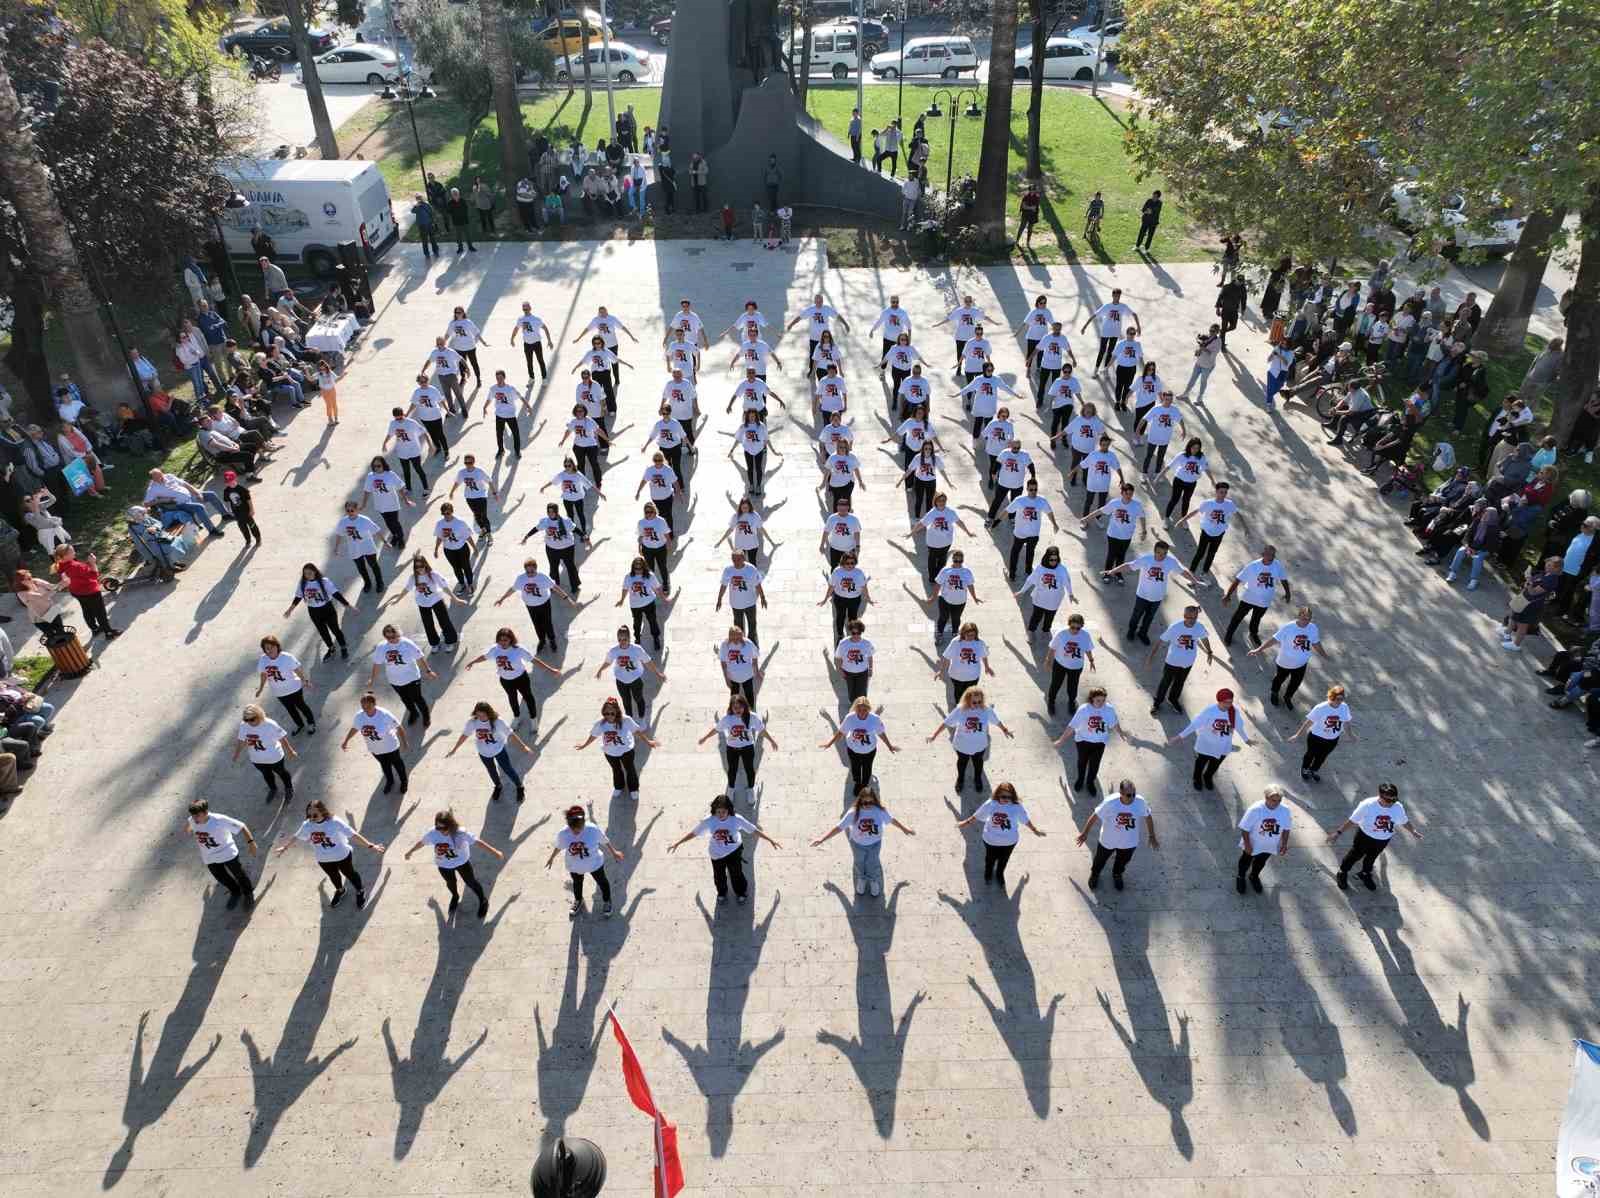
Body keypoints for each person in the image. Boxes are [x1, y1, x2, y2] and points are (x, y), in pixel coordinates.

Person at [668, 793, 781, 906]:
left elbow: (753, 830)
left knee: (736, 874)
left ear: (729, 810)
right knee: (719, 875)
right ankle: (722, 893)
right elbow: (694, 833)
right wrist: (678, 843)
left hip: (734, 851)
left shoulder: (736, 819)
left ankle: (741, 892)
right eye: (718, 812)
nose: (721, 815)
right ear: (714, 810)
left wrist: (770, 840)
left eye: (723, 812)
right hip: (716, 854)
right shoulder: (709, 821)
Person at [274, 799, 385, 909]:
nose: (311, 818)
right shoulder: (307, 825)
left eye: (315, 815)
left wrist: (371, 845)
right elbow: (296, 836)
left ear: (322, 811)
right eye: (309, 815)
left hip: (342, 855)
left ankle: (360, 891)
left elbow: (353, 835)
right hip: (323, 859)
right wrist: (285, 847)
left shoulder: (334, 822)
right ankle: (341, 891)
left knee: (350, 874)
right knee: (333, 876)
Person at [810, 784, 914, 897]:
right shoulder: (853, 813)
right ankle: (862, 879)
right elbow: (839, 827)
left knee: (872, 863)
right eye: (865, 803)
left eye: (870, 802)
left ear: (874, 801)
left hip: (875, 844)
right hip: (858, 845)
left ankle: (873, 880)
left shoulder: (879, 811)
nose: (868, 805)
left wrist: (904, 829)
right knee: (859, 863)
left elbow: (892, 820)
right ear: (860, 801)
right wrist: (822, 839)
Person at [405, 808, 503, 918]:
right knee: (450, 883)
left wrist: (495, 852)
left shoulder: (461, 833)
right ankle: (455, 897)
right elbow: (422, 842)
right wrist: (410, 852)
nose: (441, 830)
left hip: (462, 863)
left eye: (444, 828)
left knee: (471, 882)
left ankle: (483, 900)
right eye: (438, 827)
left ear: (451, 824)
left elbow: (478, 842)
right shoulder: (433, 833)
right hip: (444, 865)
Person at [1326, 782, 1422, 891]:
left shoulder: (1397, 807)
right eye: (1388, 800)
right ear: (1380, 796)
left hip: (1383, 839)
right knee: (1355, 855)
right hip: (1364, 837)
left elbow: (1404, 821)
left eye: (1394, 800)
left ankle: (1365, 873)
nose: (1391, 803)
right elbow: (1352, 821)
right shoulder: (1367, 805)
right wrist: (1338, 833)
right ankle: (1342, 872)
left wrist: (1413, 831)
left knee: (1371, 857)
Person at [1076, 778, 1159, 891]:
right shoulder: (1110, 802)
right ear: (1121, 793)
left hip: (1129, 843)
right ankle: (1095, 875)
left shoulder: (1140, 802)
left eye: (1134, 794)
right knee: (1099, 860)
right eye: (1129, 795)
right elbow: (1095, 815)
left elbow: (1148, 816)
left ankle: (1117, 874)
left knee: (1122, 862)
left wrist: (1152, 835)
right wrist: (1085, 833)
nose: (1132, 797)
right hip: (1108, 840)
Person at [927, 686, 1013, 794]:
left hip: (979, 745)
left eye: (979, 702)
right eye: (974, 702)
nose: (977, 704)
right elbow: (947, 722)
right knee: (962, 763)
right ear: (968, 700)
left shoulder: (986, 710)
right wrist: (934, 735)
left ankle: (978, 779)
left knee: (978, 764)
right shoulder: (960, 709)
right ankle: (960, 779)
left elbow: (996, 721)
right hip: (962, 745)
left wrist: (1005, 730)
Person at [574, 695, 661, 801]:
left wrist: (648, 741)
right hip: (610, 752)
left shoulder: (626, 720)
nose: (609, 716)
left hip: (626, 750)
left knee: (630, 770)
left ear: (617, 711)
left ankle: (633, 789)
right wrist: (584, 745)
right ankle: (618, 786)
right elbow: (593, 735)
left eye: (612, 713)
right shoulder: (601, 724)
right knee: (616, 769)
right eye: (606, 713)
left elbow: (637, 731)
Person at [445, 699, 532, 802]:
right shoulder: (473, 722)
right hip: (484, 753)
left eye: (483, 715)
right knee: (491, 771)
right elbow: (464, 735)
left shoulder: (498, 721)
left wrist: (524, 747)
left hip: (499, 750)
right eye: (478, 715)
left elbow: (511, 735)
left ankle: (519, 786)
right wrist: (455, 749)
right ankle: (498, 786)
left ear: (489, 713)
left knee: (508, 769)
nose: (481, 718)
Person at [546, 805, 623, 918]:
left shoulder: (592, 829)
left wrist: (614, 852)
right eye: (573, 829)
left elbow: (605, 841)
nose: (576, 831)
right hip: (575, 866)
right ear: (569, 825)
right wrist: (551, 858)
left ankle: (607, 901)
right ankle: (578, 900)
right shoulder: (563, 834)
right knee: (577, 883)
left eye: (579, 828)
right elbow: (558, 846)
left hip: (594, 864)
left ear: (584, 822)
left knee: (602, 882)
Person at [1170, 687, 1253, 790]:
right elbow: (1195, 724)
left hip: (1223, 746)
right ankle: (1197, 779)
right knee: (1201, 763)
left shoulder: (1233, 712)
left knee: (1215, 764)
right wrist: (1180, 736)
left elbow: (1239, 726)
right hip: (1207, 744)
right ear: (1219, 701)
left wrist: (1246, 740)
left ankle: (1207, 777)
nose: (1228, 705)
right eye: (1225, 702)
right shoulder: (1210, 711)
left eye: (1230, 702)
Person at [1248, 606, 1328, 708]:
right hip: (1285, 663)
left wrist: (1325, 655)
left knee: (1295, 683)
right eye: (1304, 618)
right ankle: (1274, 693)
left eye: (1309, 619)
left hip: (1301, 664)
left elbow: (1316, 643)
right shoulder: (1288, 627)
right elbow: (1274, 640)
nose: (1306, 621)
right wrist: (1258, 649)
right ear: (1299, 616)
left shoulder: (1313, 628)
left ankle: (1288, 697)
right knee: (1279, 679)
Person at [697, 693, 778, 792]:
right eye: (735, 707)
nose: (738, 710)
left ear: (744, 706)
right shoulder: (727, 719)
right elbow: (717, 729)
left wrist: (772, 740)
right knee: (732, 770)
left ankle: (750, 789)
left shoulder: (752, 717)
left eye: (740, 707)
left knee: (749, 770)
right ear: (731, 708)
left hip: (747, 748)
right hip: (732, 749)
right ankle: (731, 789)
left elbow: (761, 730)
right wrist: (705, 738)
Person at [184, 799, 257, 909]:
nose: (195, 819)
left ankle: (248, 894)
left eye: (197, 816)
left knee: (239, 874)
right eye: (193, 816)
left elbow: (242, 826)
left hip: (227, 853)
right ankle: (235, 892)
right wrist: (189, 829)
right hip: (209, 857)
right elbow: (189, 826)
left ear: (205, 812)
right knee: (221, 877)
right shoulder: (193, 819)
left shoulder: (219, 820)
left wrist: (251, 843)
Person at [819, 695, 898, 791]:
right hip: (853, 750)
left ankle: (864, 784)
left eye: (864, 710)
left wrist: (889, 746)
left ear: (868, 709)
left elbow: (881, 733)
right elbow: (841, 732)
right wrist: (829, 743)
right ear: (855, 709)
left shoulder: (875, 719)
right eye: (859, 710)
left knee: (867, 768)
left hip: (869, 751)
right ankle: (857, 783)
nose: (861, 713)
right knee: (855, 768)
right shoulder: (850, 718)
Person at [1147, 604, 1213, 715]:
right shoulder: (1175, 627)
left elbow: (1204, 638)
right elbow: (1161, 641)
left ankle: (1173, 699)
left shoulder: (1199, 627)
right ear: (1184, 616)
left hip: (1187, 663)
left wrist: (1209, 651)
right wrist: (1151, 656)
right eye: (1189, 617)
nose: (1192, 620)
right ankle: (1157, 703)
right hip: (1172, 662)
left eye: (1195, 618)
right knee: (1165, 682)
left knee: (1180, 682)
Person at [1222, 546, 1291, 647]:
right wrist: (1228, 595)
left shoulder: (1277, 565)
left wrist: (1288, 593)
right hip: (1249, 598)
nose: (1270, 557)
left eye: (1272, 555)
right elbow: (1238, 580)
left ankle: (1253, 634)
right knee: (1237, 617)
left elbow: (1283, 579)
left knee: (1256, 618)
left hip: (1264, 601)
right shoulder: (1253, 566)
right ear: (1263, 554)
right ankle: (1229, 635)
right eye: (1268, 554)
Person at [342, 691, 409, 793]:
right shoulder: (359, 716)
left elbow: (399, 727)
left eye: (368, 706)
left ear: (374, 704)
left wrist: (404, 742)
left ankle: (404, 781)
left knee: (398, 765)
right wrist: (346, 740)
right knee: (385, 766)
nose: (366, 709)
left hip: (390, 748)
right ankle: (390, 781)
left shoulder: (384, 715)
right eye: (363, 706)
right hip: (375, 750)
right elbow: (355, 728)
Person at [398, 554, 463, 654]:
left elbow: (444, 586)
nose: (419, 569)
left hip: (436, 601)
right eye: (417, 567)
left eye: (421, 566)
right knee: (428, 625)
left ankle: (450, 641)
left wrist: (455, 598)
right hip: (423, 604)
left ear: (425, 564)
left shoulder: (433, 575)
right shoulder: (413, 577)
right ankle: (434, 644)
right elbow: (406, 589)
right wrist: (397, 600)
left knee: (444, 622)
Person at [232, 702, 297, 801]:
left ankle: (289, 788)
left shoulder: (270, 724)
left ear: (259, 715)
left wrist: (290, 751)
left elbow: (282, 738)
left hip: (274, 757)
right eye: (246, 719)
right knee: (266, 774)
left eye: (252, 719)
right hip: (257, 759)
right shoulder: (244, 725)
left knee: (281, 772)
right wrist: (237, 753)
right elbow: (241, 740)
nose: (249, 722)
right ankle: (273, 789)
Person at [285, 563, 351, 660]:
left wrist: (347, 604)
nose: (308, 575)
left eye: (310, 573)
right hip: (313, 611)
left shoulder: (324, 581)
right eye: (305, 574)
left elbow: (335, 593)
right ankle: (331, 648)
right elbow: (298, 597)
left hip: (327, 609)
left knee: (335, 629)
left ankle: (343, 647)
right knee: (323, 631)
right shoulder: (302, 583)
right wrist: (290, 609)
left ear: (315, 571)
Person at [50, 545, 117, 639]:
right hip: (90, 592)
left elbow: (76, 573)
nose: (75, 553)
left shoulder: (59, 565)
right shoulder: (76, 566)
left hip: (76, 592)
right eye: (72, 552)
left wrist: (86, 565)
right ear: (65, 556)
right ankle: (108, 632)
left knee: (87, 610)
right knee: (100, 612)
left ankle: (94, 629)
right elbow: (94, 575)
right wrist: (93, 563)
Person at [1235, 785, 1292, 894]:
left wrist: (1284, 844)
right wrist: (1247, 845)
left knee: (1261, 862)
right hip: (1252, 844)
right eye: (1273, 800)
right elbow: (1244, 828)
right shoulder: (1255, 810)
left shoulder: (1285, 810)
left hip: (1269, 845)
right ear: (1266, 797)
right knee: (1245, 861)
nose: (1276, 803)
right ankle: (1240, 877)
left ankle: (1254, 876)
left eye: (1279, 801)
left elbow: (1286, 829)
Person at [256, 635, 313, 735]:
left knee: (302, 706)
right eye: (267, 648)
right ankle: (299, 725)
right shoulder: (263, 660)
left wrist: (305, 681)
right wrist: (260, 689)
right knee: (291, 710)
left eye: (272, 647)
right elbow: (263, 675)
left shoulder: (286, 657)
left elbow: (297, 670)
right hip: (279, 692)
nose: (270, 650)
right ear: (264, 650)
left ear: (277, 646)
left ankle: (311, 723)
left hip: (294, 689)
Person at [1015, 544, 1076, 636]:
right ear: (1047, 558)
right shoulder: (1040, 569)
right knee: (1036, 616)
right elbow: (1030, 580)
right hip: (1040, 599)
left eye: (1056, 560)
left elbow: (1067, 582)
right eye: (1051, 559)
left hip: (1054, 600)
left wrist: (1070, 594)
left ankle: (1046, 630)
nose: (1054, 562)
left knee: (1050, 617)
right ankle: (1031, 632)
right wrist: (1022, 591)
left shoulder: (1062, 569)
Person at [934, 620, 993, 706]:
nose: (970, 637)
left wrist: (987, 667)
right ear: (963, 633)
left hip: (973, 676)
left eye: (972, 635)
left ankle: (968, 707)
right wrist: (941, 671)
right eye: (968, 635)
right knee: (958, 694)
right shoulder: (956, 642)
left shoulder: (980, 643)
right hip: (956, 676)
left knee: (970, 695)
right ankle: (959, 707)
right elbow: (947, 657)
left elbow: (984, 655)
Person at [928, 548, 981, 641]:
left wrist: (975, 597)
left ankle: (955, 632)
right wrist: (933, 597)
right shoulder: (946, 570)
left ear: (963, 560)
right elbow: (938, 584)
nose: (958, 562)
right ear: (953, 559)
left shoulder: (967, 571)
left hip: (960, 602)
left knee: (956, 619)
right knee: (943, 617)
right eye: (956, 560)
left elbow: (970, 585)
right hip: (945, 600)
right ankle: (939, 634)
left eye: (960, 560)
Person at [819, 550, 872, 643]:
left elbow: (863, 586)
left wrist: (868, 598)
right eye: (847, 563)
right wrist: (825, 599)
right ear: (843, 562)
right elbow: (831, 586)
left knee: (853, 618)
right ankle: (840, 634)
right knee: (840, 617)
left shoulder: (859, 573)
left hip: (854, 600)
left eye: (852, 563)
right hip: (840, 599)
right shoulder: (837, 572)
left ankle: (852, 634)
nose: (850, 565)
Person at [362, 456, 414, 548]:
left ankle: (400, 539)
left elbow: (400, 487)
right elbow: (367, 490)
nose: (376, 468)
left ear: (383, 465)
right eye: (374, 466)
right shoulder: (371, 476)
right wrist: (363, 504)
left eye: (378, 466)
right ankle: (395, 535)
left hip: (392, 504)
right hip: (380, 506)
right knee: (388, 523)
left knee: (395, 523)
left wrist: (406, 500)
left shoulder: (390, 474)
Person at [384, 407, 434, 492]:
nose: (399, 420)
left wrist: (430, 445)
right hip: (402, 452)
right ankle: (408, 488)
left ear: (403, 414)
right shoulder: (393, 423)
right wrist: (384, 443)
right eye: (397, 418)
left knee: (418, 469)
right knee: (406, 471)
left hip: (414, 451)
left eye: (400, 417)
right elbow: (390, 434)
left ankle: (426, 488)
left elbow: (424, 432)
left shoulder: (411, 423)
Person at [445, 187, 476, 252]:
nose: (455, 195)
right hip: (456, 222)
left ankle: (470, 247)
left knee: (468, 235)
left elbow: (466, 209)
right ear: (452, 195)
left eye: (456, 193)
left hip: (465, 221)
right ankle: (460, 248)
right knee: (458, 237)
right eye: (454, 194)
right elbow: (448, 211)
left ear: (458, 193)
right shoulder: (450, 203)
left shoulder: (463, 200)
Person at [411, 192, 441, 259]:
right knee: (424, 240)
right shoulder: (417, 206)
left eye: (420, 198)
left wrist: (433, 221)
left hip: (429, 224)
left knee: (432, 238)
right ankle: (426, 253)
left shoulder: (426, 204)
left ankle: (435, 251)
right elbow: (412, 211)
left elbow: (431, 212)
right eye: (418, 198)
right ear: (416, 199)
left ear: (422, 198)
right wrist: (416, 206)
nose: (419, 199)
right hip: (422, 226)